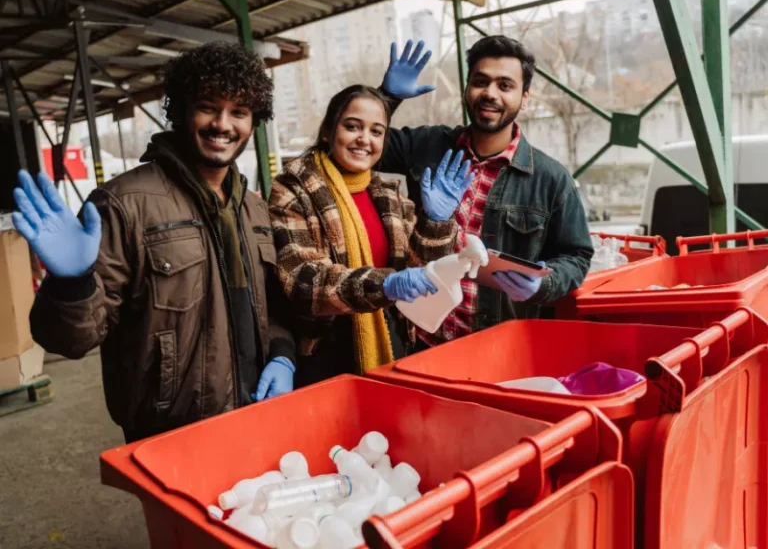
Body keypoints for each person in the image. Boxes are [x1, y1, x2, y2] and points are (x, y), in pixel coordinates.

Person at [11, 42, 296, 443]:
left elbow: (274, 309)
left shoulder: (254, 209)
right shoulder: (124, 204)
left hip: (257, 414)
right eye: (208, 106)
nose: (223, 124)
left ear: (254, 122)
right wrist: (71, 285)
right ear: (180, 110)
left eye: (239, 112)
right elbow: (70, 341)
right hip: (170, 434)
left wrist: (283, 356)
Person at [378, 38, 594, 348]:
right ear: (467, 89)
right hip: (415, 339)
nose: (490, 93)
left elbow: (576, 256)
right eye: (481, 82)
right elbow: (357, 145)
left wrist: (542, 284)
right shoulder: (426, 145)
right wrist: (386, 99)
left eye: (505, 85)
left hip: (496, 346)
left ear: (524, 98)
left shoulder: (550, 179)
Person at [268, 84, 471, 386]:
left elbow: (422, 275)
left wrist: (435, 222)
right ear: (327, 131)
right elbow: (303, 281)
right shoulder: (292, 191)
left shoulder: (388, 195)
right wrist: (385, 284)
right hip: (327, 358)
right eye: (352, 126)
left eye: (377, 132)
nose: (365, 139)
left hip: (394, 348)